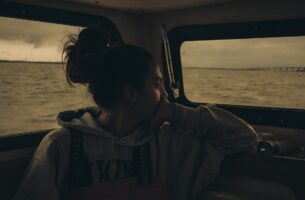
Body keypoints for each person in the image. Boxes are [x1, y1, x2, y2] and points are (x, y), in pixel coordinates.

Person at [13, 27, 259, 200]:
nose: (164, 95)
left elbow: (243, 137)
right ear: (131, 93)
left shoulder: (167, 142)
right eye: (157, 84)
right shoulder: (61, 146)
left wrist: (176, 113)